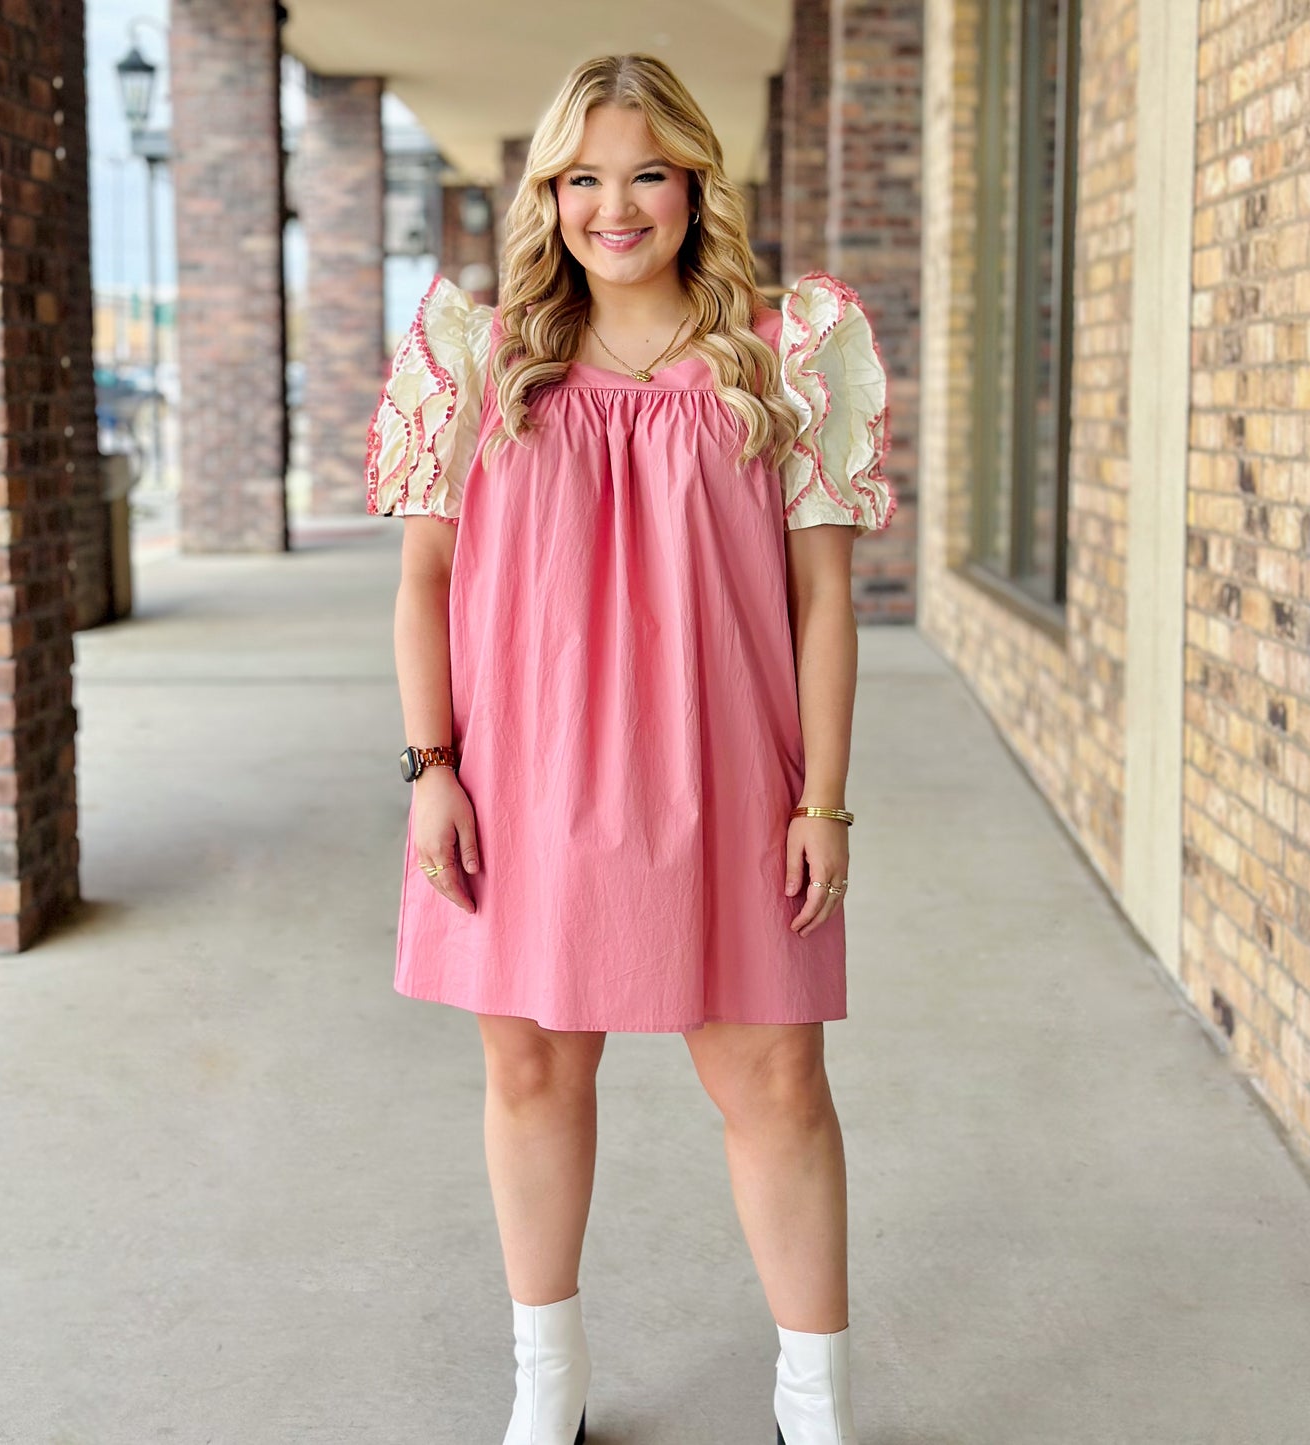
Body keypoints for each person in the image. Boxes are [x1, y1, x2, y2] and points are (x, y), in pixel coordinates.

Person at [365, 52, 893, 1445]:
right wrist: (434, 768)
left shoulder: (783, 352)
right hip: (526, 779)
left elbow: (820, 597)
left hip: (729, 779)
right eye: (584, 176)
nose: (616, 204)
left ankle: (812, 1401)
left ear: (692, 184)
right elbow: (425, 584)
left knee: (775, 1081)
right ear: (548, 193)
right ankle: (549, 1385)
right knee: (533, 1072)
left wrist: (823, 798)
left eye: (645, 170)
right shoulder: (475, 360)